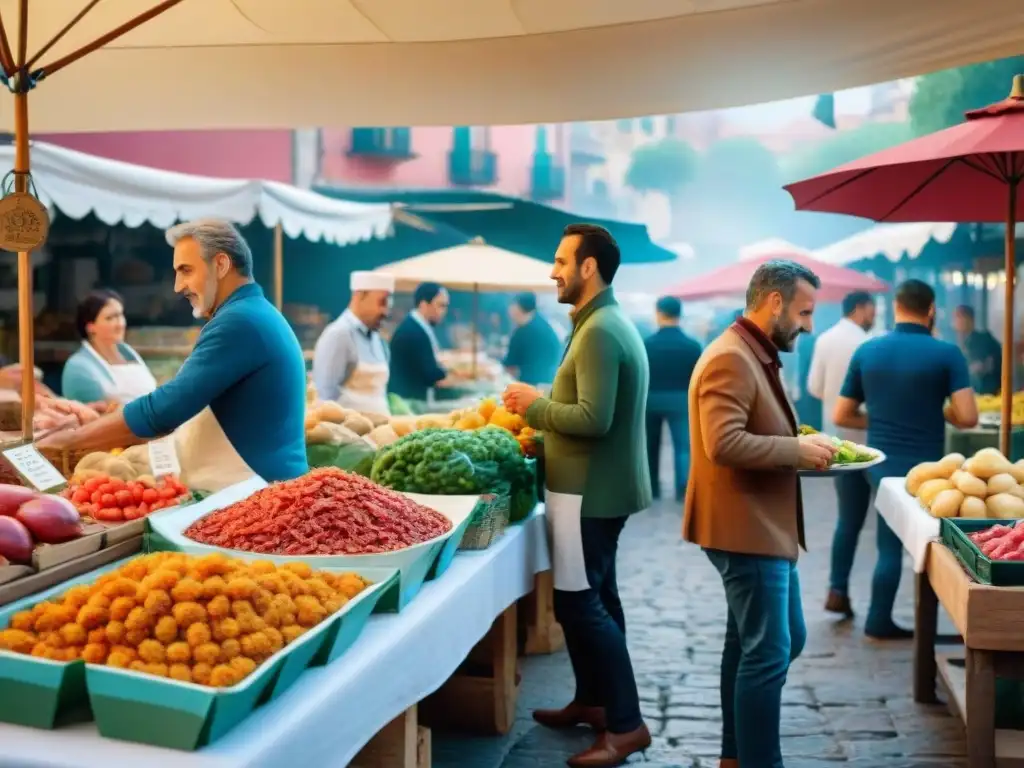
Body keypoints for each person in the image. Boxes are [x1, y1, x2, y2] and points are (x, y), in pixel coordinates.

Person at [503, 223, 652, 767]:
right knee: (596, 600)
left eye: (562, 260)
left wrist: (532, 405)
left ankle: (628, 725)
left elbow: (593, 419)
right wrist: (543, 438)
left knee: (581, 605)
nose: (553, 270)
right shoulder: (599, 322)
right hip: (589, 488)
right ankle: (595, 702)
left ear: (589, 268)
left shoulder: (600, 331)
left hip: (588, 494)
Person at [684, 260, 836, 768]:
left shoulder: (749, 349)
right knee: (770, 652)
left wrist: (799, 444)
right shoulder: (731, 356)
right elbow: (723, 442)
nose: (809, 325)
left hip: (758, 525)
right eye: (805, 311)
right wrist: (795, 451)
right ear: (774, 301)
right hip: (744, 527)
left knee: (760, 645)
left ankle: (735, 755)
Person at [38, 218, 308, 493]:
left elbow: (165, 410)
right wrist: (99, 423)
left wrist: (69, 441)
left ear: (221, 264)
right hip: (257, 488)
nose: (178, 286)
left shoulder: (239, 322)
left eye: (186, 271)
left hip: (257, 494)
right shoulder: (253, 313)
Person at [834, 280, 978, 640]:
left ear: (895, 308)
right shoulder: (947, 353)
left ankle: (872, 611)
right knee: (925, 547)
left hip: (878, 462)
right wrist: (938, 410)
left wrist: (884, 418)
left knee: (887, 544)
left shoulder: (868, 350)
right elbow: (968, 416)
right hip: (926, 470)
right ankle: (883, 620)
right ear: (931, 310)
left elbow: (843, 414)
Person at [806, 291, 876, 618]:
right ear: (861, 308)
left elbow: (814, 388)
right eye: (872, 308)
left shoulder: (825, 339)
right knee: (889, 524)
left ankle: (838, 588)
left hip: (837, 445)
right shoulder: (871, 342)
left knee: (847, 520)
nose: (874, 314)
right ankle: (881, 607)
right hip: (873, 440)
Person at [644, 295, 702, 501]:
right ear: (680, 314)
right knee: (683, 447)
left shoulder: (646, 344)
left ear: (658, 313)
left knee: (650, 446)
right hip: (681, 400)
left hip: (650, 400)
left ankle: (651, 488)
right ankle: (683, 488)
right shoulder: (692, 345)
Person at [311, 272, 394, 414]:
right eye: (381, 302)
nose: (385, 311)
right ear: (359, 296)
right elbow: (325, 397)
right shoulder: (338, 334)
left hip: (380, 431)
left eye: (388, 304)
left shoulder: (379, 340)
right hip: (349, 434)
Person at [61, 289, 158, 406]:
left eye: (121, 315)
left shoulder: (128, 353)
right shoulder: (78, 368)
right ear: (90, 327)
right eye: (110, 318)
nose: (120, 324)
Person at [388, 282, 460, 402]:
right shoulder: (413, 331)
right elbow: (431, 373)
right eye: (441, 305)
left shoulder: (418, 325)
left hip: (415, 396)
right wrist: (455, 373)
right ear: (424, 304)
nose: (444, 311)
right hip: (410, 401)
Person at [503, 292, 562, 387]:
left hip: (533, 385)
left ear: (517, 308)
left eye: (511, 305)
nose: (508, 310)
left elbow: (510, 364)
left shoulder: (522, 331)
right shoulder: (542, 323)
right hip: (550, 381)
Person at [953, 304, 1002, 395]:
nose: (957, 321)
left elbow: (980, 367)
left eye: (961, 316)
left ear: (971, 320)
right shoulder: (955, 343)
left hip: (986, 394)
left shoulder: (984, 340)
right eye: (956, 317)